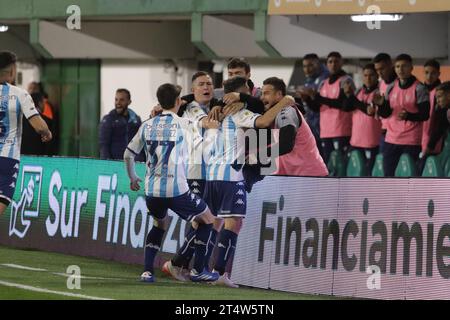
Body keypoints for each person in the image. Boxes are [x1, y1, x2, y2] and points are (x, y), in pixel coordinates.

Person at [123, 83, 220, 283]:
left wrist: (133, 177)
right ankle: (199, 270)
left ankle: (147, 271)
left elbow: (128, 154)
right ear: (178, 102)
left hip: (152, 191)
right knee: (208, 219)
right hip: (177, 192)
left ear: (159, 102)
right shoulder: (184, 124)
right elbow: (206, 138)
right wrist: (215, 128)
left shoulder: (147, 125)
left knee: (159, 224)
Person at [0, 51, 52, 216]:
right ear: (12, 70)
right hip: (7, 159)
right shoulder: (19, 94)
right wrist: (47, 133)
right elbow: (38, 126)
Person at [373, 54, 430, 176]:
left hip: (411, 141)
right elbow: (386, 114)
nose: (400, 69)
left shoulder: (419, 88)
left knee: (409, 178)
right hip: (391, 139)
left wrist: (409, 116)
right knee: (388, 175)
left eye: (404, 66)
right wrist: (381, 105)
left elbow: (425, 115)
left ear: (411, 68)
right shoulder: (391, 87)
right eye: (398, 66)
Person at [260, 77, 328, 177]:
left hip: (310, 175)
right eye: (262, 94)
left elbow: (285, 145)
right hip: (294, 175)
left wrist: (256, 156)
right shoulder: (273, 114)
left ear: (279, 95)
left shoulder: (287, 111)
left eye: (266, 93)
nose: (262, 97)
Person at [299, 51, 356, 164]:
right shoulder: (323, 83)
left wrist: (316, 96)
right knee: (326, 165)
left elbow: (344, 105)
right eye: (330, 62)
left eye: (336, 61)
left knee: (340, 165)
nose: (333, 64)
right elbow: (317, 107)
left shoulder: (346, 81)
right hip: (325, 131)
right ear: (327, 64)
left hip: (341, 131)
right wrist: (308, 99)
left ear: (341, 63)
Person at [343, 63, 382, 174]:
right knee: (350, 172)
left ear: (377, 76)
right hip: (355, 141)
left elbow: (369, 111)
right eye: (365, 75)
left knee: (368, 174)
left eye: (371, 75)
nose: (368, 78)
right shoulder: (359, 91)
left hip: (371, 142)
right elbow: (346, 108)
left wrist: (351, 97)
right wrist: (347, 94)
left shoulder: (379, 92)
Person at [297, 53, 329, 158]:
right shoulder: (309, 81)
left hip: (325, 128)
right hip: (312, 126)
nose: (307, 69)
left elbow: (322, 104)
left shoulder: (326, 79)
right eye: (305, 66)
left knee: (326, 160)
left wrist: (310, 96)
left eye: (310, 65)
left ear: (318, 64)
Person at [99, 89, 144, 161]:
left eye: (122, 100)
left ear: (129, 102)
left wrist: (141, 160)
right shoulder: (108, 120)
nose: (118, 103)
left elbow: (141, 143)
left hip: (134, 164)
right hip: (116, 164)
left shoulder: (136, 120)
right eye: (116, 100)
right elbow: (104, 145)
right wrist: (107, 164)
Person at [373, 53, 397, 153]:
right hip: (384, 132)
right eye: (377, 70)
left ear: (390, 65)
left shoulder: (399, 83)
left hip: (397, 133)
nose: (380, 73)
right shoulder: (381, 83)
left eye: (382, 68)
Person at [423, 81, 450, 158]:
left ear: (449, 95)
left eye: (439, 96)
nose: (437, 101)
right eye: (436, 98)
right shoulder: (447, 111)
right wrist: (429, 147)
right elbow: (440, 128)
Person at [421, 59, 442, 156]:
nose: (429, 76)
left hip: (434, 141)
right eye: (426, 72)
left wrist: (431, 144)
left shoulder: (442, 93)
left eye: (433, 73)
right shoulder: (419, 90)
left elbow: (441, 122)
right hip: (416, 138)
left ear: (439, 74)